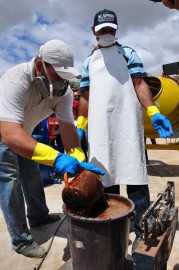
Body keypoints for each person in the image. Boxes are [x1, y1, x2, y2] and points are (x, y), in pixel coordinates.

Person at [77, 9, 173, 253]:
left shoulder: (128, 53)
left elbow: (139, 83)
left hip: (127, 121)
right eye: (102, 31)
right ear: (93, 31)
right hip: (100, 126)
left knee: (134, 176)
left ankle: (141, 232)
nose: (106, 34)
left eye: (110, 30)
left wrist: (152, 110)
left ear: (116, 30)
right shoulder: (89, 61)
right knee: (105, 177)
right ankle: (112, 231)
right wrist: (81, 123)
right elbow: (85, 96)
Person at [0, 39, 104, 258]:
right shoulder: (15, 79)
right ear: (40, 65)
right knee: (11, 183)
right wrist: (56, 158)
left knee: (33, 177)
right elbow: (9, 134)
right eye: (57, 75)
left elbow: (68, 131)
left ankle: (38, 216)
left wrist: (77, 158)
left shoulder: (63, 93)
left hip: (24, 134)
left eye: (66, 78)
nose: (62, 83)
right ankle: (20, 239)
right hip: (4, 134)